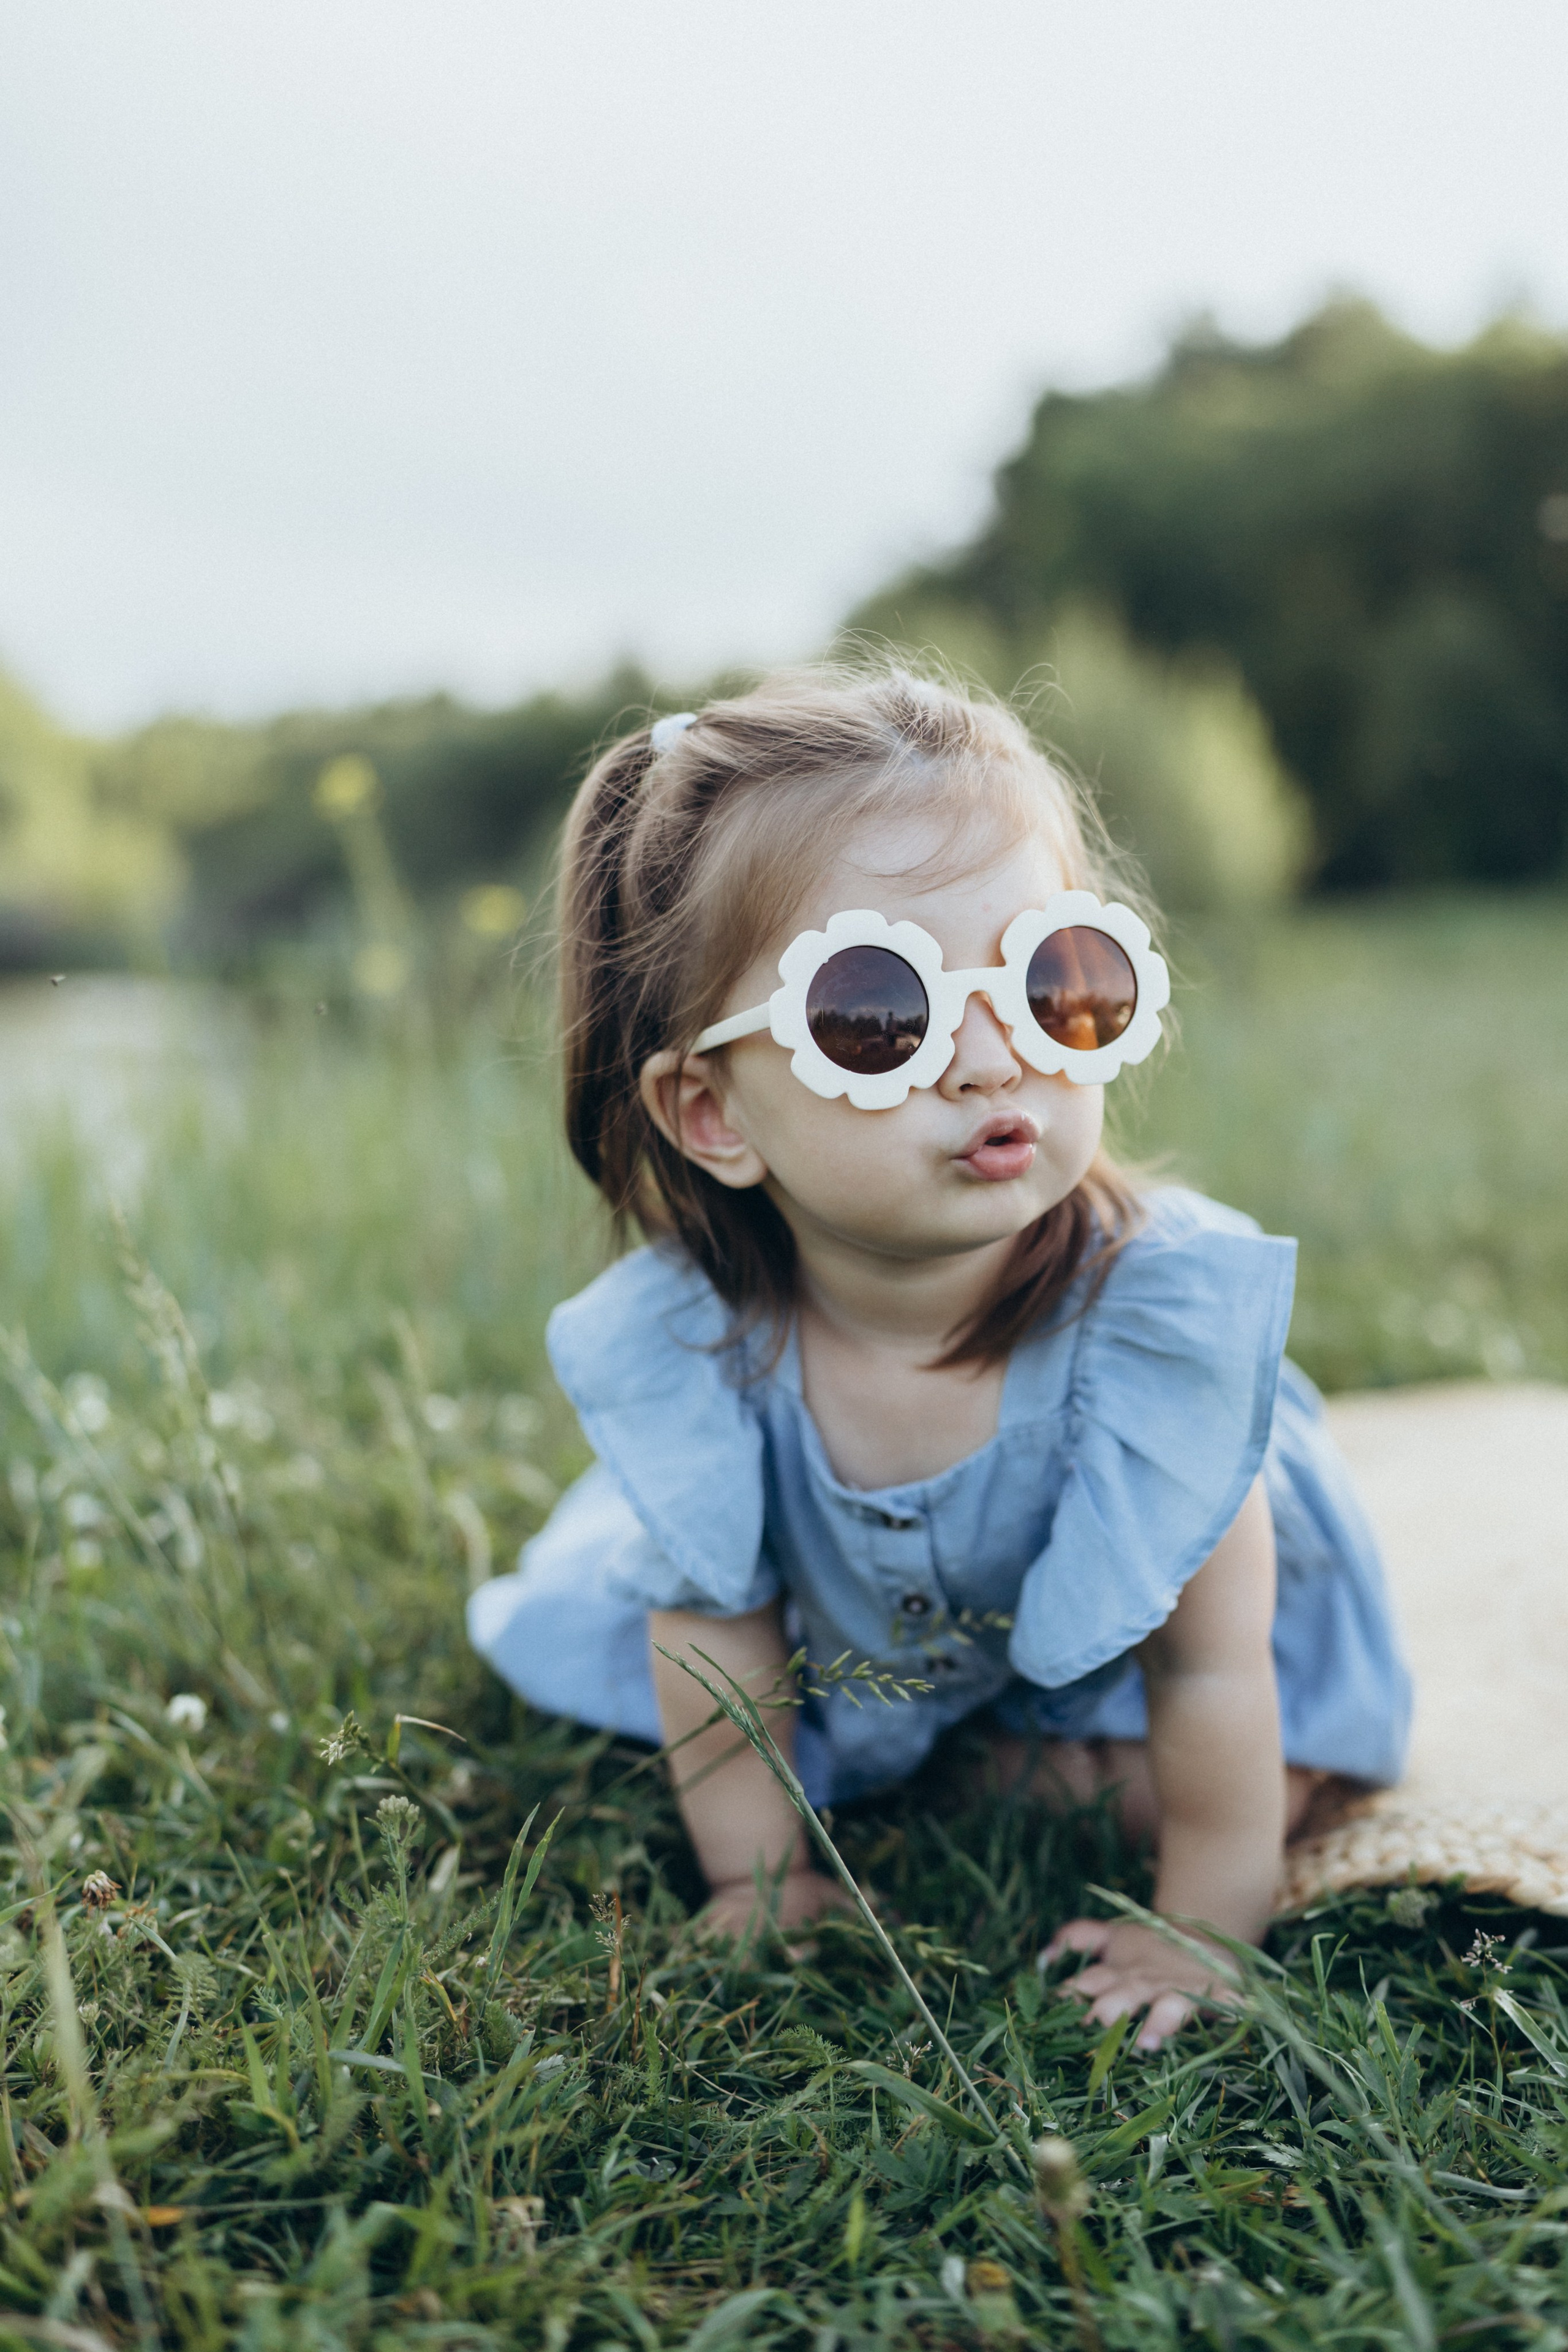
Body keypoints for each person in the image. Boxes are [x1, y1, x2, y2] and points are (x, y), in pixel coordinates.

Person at [469, 664, 1410, 2051]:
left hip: (1146, 1649)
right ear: (714, 1113)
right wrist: (761, 1879)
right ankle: (933, 1754)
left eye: (1054, 981)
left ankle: (961, 1759)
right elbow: (715, 1640)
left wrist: (1204, 1926)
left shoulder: (1156, 1345)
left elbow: (1211, 1670)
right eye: (878, 1015)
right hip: (859, 1653)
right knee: (703, 1708)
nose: (989, 1061)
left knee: (1253, 1785)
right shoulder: (702, 1355)